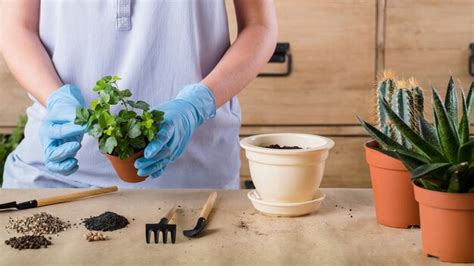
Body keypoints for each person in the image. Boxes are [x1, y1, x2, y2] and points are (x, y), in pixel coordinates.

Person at [0, 0, 277, 188]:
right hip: (55, 177)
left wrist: (197, 104)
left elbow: (259, 26)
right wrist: (54, 98)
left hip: (194, 179)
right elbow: (17, 28)